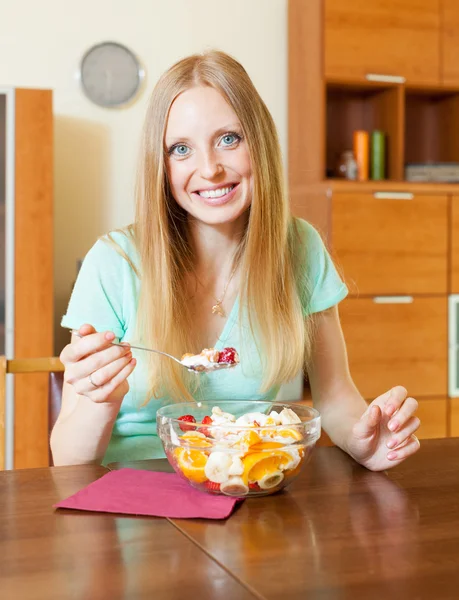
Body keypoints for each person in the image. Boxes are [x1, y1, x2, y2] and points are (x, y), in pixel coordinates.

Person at [51, 50, 421, 469]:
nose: (209, 169)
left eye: (229, 139)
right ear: (161, 164)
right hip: (138, 502)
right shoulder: (114, 264)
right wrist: (103, 401)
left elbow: (335, 397)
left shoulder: (299, 248)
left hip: (253, 492)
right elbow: (66, 458)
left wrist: (367, 442)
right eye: (181, 149)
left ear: (258, 142)